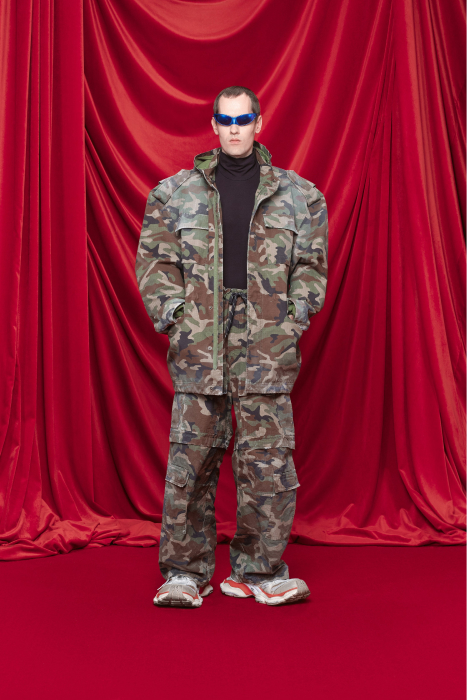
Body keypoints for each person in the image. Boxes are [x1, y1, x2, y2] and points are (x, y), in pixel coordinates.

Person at [135, 86, 328, 608]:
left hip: (267, 347)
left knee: (268, 464)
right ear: (214, 125)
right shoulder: (174, 194)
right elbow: (155, 264)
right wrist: (177, 318)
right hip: (201, 345)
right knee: (190, 464)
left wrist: (293, 316)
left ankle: (259, 572)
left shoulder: (300, 196)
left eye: (244, 120)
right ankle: (184, 574)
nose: (235, 128)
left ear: (259, 123)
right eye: (226, 120)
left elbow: (311, 267)